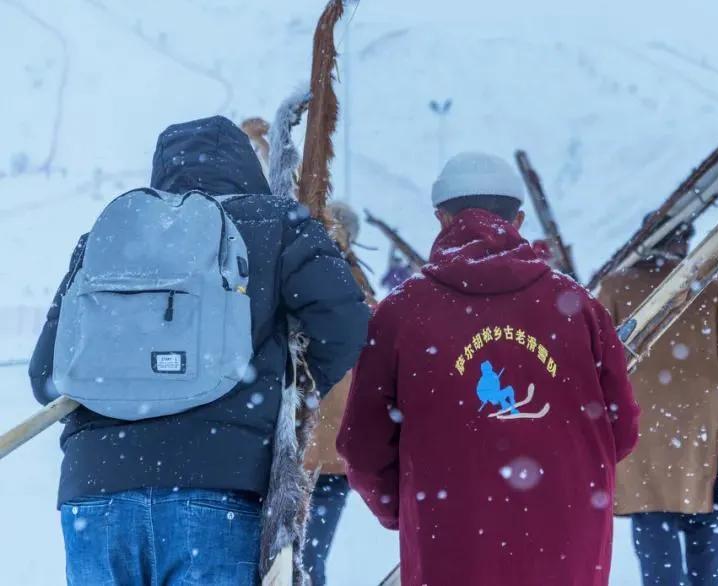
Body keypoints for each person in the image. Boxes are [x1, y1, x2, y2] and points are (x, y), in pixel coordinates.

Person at [28, 116, 369, 585]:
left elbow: (46, 376)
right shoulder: (279, 224)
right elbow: (345, 324)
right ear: (246, 166)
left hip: (97, 495)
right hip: (219, 489)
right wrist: (292, 394)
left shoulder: (105, 237)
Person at [336, 152, 639, 586]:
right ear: (518, 220)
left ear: (442, 219)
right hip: (568, 540)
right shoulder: (579, 308)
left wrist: (412, 507)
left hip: (448, 540)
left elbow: (363, 445)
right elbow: (621, 428)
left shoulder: (401, 313)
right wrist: (566, 486)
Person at [598, 225, 718, 586]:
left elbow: (599, 361)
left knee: (653, 519)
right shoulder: (711, 287)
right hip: (702, 427)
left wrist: (598, 423)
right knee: (706, 516)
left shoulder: (616, 286)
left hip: (641, 427)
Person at [302, 200, 378, 586]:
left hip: (300, 447)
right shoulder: (358, 285)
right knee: (309, 560)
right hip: (335, 450)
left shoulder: (301, 269)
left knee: (290, 560)